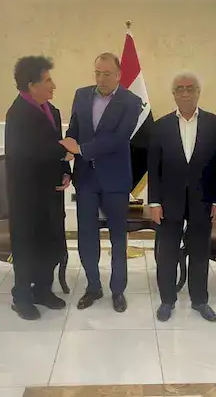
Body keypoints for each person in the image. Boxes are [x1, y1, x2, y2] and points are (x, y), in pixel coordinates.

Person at [62, 53, 142, 313]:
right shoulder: (81, 95)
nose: (101, 78)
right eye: (97, 73)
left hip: (115, 179)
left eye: (107, 74)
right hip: (85, 179)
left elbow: (119, 139)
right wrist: (66, 162)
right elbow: (73, 132)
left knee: (118, 238)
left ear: (118, 75)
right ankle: (93, 287)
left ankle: (117, 290)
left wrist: (82, 150)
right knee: (87, 236)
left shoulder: (131, 101)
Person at [148, 72, 216, 322]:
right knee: (167, 253)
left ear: (198, 92)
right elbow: (154, 167)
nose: (185, 93)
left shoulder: (214, 124)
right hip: (169, 202)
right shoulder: (160, 126)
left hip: (203, 201)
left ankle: (200, 300)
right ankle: (167, 300)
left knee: (200, 252)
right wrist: (154, 202)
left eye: (190, 88)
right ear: (173, 94)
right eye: (180, 89)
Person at [5, 56, 72, 321]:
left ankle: (43, 290)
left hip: (50, 194)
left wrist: (65, 170)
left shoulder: (52, 111)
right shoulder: (17, 114)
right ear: (31, 85)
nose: (53, 85)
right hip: (27, 196)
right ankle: (21, 297)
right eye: (48, 81)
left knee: (50, 243)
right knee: (27, 246)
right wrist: (64, 150)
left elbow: (56, 146)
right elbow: (28, 153)